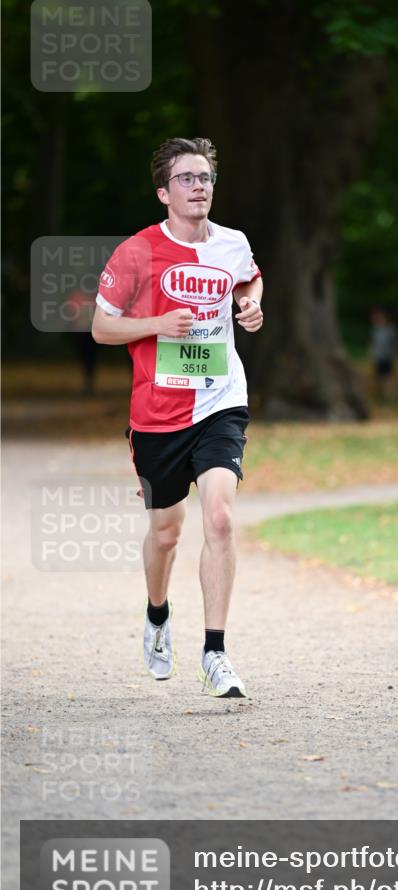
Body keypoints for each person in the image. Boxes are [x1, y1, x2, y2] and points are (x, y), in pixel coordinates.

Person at [92, 137, 263, 697]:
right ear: (164, 192)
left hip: (221, 400)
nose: (200, 186)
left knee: (218, 519)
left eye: (206, 177)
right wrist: (156, 325)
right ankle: (158, 616)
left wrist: (251, 302)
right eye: (187, 178)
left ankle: (215, 652)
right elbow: (101, 327)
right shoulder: (137, 252)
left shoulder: (233, 244)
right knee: (166, 533)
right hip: (158, 414)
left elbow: (249, 277)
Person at [369, 306, 398, 402]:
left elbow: (395, 343)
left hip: (388, 357)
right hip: (378, 357)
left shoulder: (390, 330)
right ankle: (383, 396)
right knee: (379, 377)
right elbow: (373, 343)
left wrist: (394, 354)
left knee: (389, 377)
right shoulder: (375, 330)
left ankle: (390, 397)